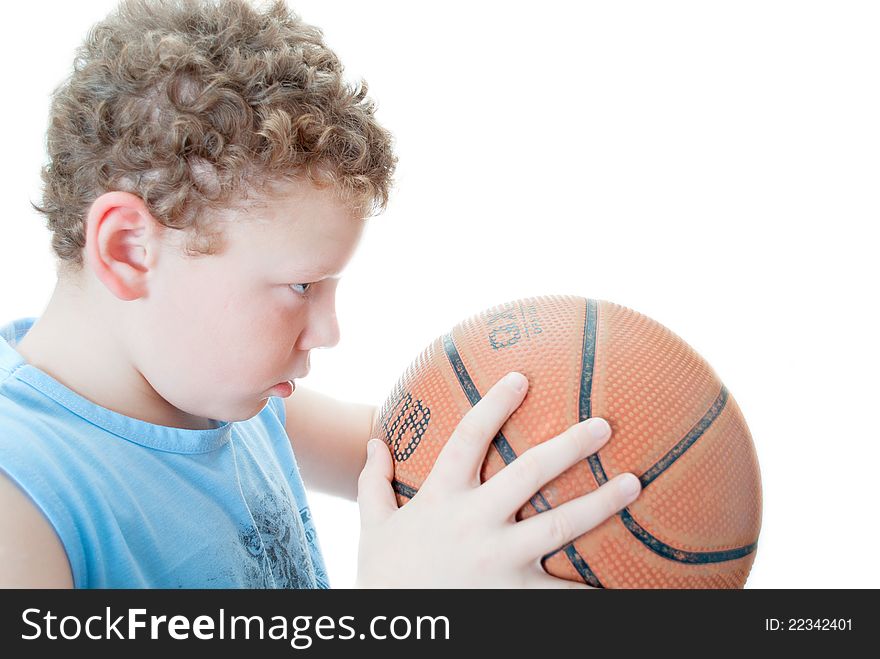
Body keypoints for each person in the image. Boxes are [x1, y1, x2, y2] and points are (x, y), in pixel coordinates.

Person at [0, 0, 641, 588]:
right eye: (300, 286)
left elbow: (406, 454)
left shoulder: (233, 404)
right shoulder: (24, 500)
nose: (330, 330)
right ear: (130, 250)